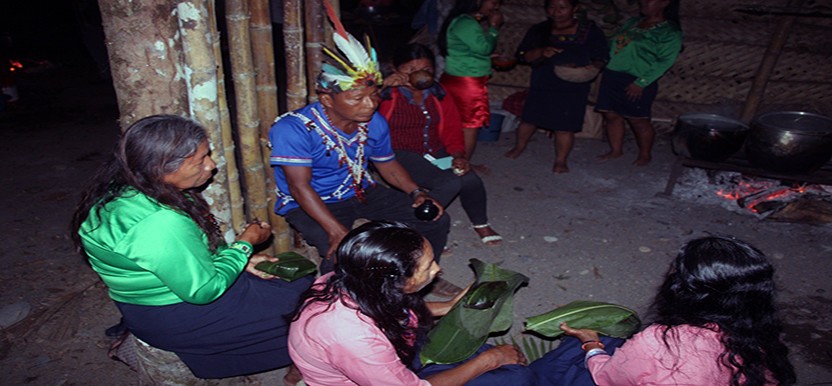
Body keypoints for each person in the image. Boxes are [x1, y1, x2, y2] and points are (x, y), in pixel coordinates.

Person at [70, 115, 314, 381]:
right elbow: (203, 290)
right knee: (310, 316)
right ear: (161, 166)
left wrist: (241, 260)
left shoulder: (132, 188)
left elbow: (186, 253)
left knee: (298, 285)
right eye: (200, 160)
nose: (211, 165)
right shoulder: (157, 221)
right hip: (179, 314)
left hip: (165, 297)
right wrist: (245, 245)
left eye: (208, 154)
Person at [269, 3, 460, 296]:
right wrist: (335, 230)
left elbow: (388, 165)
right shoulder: (293, 128)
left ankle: (419, 276)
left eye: (373, 96)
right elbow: (298, 187)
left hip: (358, 189)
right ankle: (336, 303)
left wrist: (416, 192)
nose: (369, 105)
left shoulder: (374, 121)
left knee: (435, 217)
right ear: (327, 99)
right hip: (311, 200)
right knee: (341, 256)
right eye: (357, 98)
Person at [288, 221, 535, 385]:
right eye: (428, 266)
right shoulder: (351, 335)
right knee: (511, 374)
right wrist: (490, 361)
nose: (437, 269)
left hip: (385, 353)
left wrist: (449, 306)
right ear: (393, 279)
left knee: (481, 352)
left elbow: (392, 311)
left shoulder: (353, 279)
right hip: (371, 372)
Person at [530, 236, 796, 386]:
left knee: (565, 359)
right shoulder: (764, 332)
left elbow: (607, 377)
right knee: (615, 343)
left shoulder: (661, 340)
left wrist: (590, 344)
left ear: (683, 288)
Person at [380, 43, 502, 246]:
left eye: (426, 70)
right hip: (398, 152)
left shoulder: (438, 92)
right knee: (447, 182)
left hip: (434, 150)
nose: (419, 74)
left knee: (469, 178)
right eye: (410, 69)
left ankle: (480, 223)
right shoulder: (387, 94)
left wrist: (458, 155)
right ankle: (420, 229)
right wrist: (382, 85)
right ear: (395, 68)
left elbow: (451, 128)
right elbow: (360, 112)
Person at [503, 0, 608, 174]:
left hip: (573, 85)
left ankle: (560, 160)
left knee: (564, 126)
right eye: (552, 7)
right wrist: (541, 52)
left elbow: (602, 56)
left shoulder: (589, 31)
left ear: (575, 8)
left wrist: (594, 66)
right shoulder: (539, 30)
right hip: (543, 82)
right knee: (529, 120)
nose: (556, 11)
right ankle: (518, 148)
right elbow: (522, 55)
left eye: (563, 7)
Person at [595, 0, 683, 166]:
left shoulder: (670, 31)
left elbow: (664, 61)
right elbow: (616, 46)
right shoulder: (633, 23)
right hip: (613, 74)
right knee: (611, 115)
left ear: (665, 2)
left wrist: (641, 82)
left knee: (638, 119)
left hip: (639, 79)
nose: (642, 1)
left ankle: (645, 154)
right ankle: (616, 150)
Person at [438, 0, 503, 166]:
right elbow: (485, 48)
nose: (496, 7)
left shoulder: (460, 20)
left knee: (453, 124)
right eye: (493, 2)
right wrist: (494, 28)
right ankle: (463, 166)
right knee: (470, 127)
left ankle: (449, 163)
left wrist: (485, 58)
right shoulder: (466, 22)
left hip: (455, 78)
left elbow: (465, 50)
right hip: (467, 83)